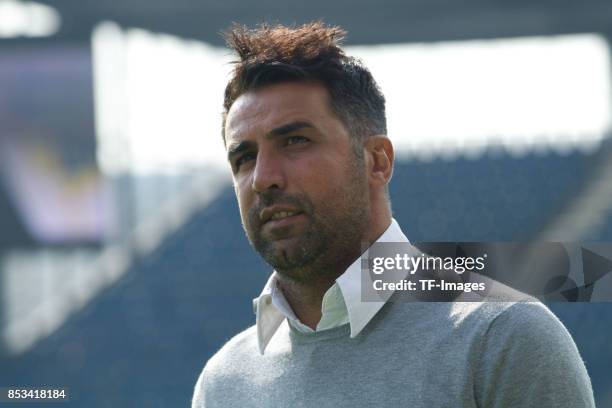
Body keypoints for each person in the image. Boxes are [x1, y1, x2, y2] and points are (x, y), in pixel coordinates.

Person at [192, 22, 595, 407]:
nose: (263, 178)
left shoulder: (501, 338)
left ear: (377, 161)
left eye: (295, 141)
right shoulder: (222, 383)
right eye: (244, 158)